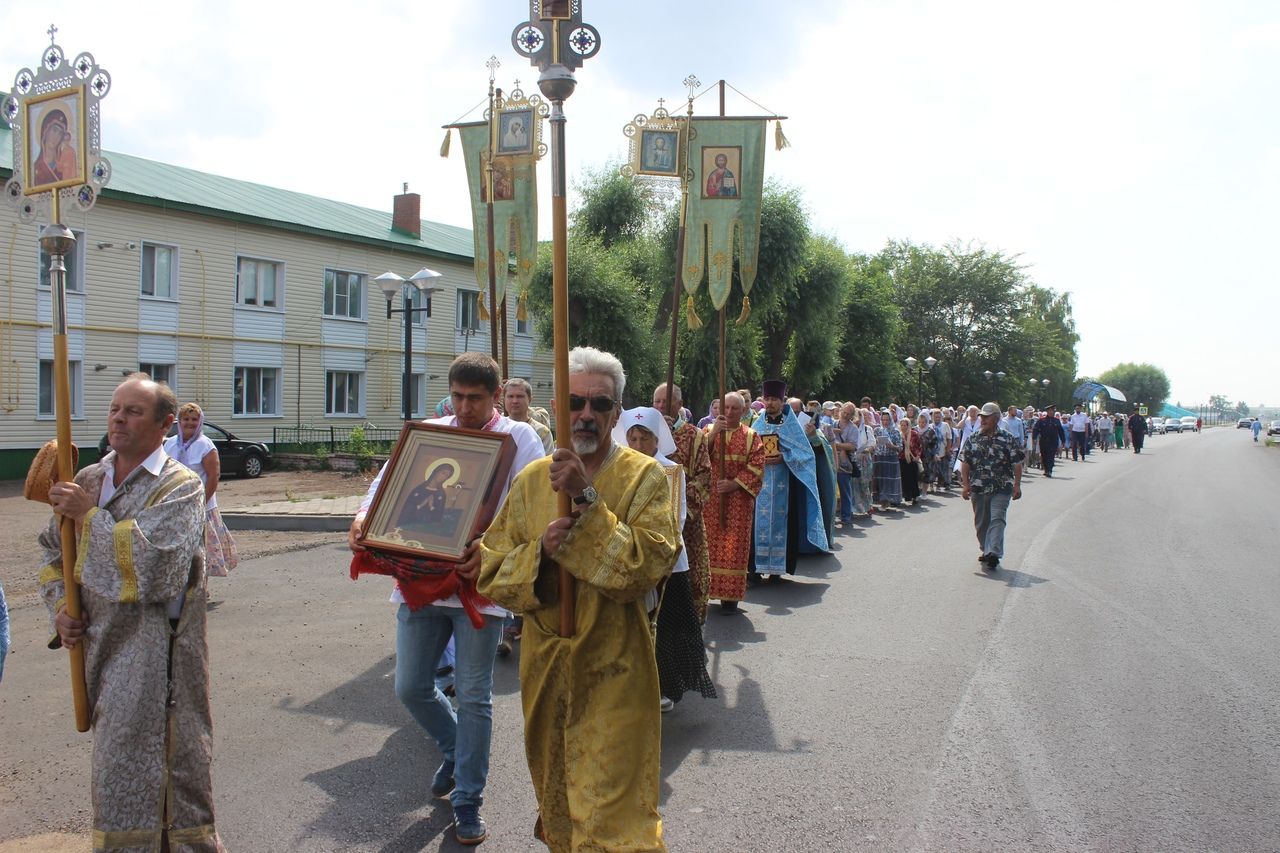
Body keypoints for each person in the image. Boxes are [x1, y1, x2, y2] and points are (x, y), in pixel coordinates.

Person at [477, 346, 678, 852]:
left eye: (600, 405)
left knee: (611, 820)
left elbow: (643, 570)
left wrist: (589, 500)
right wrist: (540, 555)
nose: (586, 415)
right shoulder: (528, 483)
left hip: (613, 667)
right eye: (574, 402)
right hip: (546, 670)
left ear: (616, 410)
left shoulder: (645, 477)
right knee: (560, 801)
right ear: (557, 404)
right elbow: (492, 573)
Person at [348, 352, 544, 846]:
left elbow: (531, 504)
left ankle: (468, 800)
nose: (463, 407)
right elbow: (387, 484)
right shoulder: (433, 433)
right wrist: (363, 517)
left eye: (474, 398)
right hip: (422, 577)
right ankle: (456, 748)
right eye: (457, 396)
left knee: (475, 695)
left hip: (480, 584)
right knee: (410, 686)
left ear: (496, 397)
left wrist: (493, 547)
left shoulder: (520, 438)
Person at [39, 373, 223, 850]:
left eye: (133, 411)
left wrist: (89, 517)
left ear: (164, 425)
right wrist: (62, 607)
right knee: (114, 769)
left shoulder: (181, 487)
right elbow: (52, 556)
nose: (119, 418)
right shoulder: (90, 479)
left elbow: (156, 569)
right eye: (115, 409)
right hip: (101, 649)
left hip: (156, 658)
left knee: (170, 773)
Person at [612, 406, 715, 711]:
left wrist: (658, 550)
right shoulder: (618, 468)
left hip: (666, 559)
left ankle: (662, 685)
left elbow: (677, 515)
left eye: (645, 438)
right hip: (626, 555)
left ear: (657, 440)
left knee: (665, 625)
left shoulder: (672, 471)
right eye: (633, 437)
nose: (639, 444)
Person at [751, 381, 830, 579]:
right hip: (760, 485)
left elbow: (806, 455)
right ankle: (755, 569)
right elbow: (748, 450)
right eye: (767, 399)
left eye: (774, 399)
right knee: (755, 526)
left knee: (783, 524)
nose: (770, 403)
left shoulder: (792, 425)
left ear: (781, 401)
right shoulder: (758, 423)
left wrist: (784, 458)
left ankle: (778, 570)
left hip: (785, 484)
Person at [653, 382, 712, 622]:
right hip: (651, 520)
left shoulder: (693, 435)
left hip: (685, 522)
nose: (659, 406)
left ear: (678, 405)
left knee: (689, 577)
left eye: (664, 402)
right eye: (656, 401)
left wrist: (680, 505)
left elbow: (704, 476)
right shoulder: (644, 434)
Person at [701, 392, 765, 609]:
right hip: (711, 499)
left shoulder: (751, 435)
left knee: (734, 547)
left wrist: (734, 484)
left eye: (734, 409)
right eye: (725, 408)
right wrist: (712, 436)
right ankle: (708, 589)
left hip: (738, 501)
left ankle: (730, 598)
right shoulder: (708, 431)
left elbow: (756, 467)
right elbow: (696, 456)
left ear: (743, 411)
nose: (728, 412)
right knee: (708, 545)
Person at [164, 402, 239, 579]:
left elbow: (214, 476)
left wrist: (202, 502)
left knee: (200, 549)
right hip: (175, 506)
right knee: (178, 549)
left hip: (200, 506)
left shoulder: (205, 445)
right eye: (185, 419)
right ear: (179, 421)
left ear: (200, 422)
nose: (190, 423)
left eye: (194, 419)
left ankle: (200, 586)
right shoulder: (170, 445)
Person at [961, 402, 1025, 570]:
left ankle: (993, 552)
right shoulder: (973, 438)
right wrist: (965, 485)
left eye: (986, 417)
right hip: (978, 488)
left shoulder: (1007, 438)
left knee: (997, 519)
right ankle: (986, 549)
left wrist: (1017, 485)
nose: (982, 419)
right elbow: (965, 463)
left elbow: (1017, 464)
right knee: (981, 522)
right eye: (981, 416)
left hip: (1001, 487)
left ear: (996, 418)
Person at [504, 378, 555, 455]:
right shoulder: (498, 427)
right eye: (510, 396)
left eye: (520, 396)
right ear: (504, 399)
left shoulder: (542, 432)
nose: (515, 401)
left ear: (530, 399)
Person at [33, 107, 78, 186]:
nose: (56, 136)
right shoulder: (35, 169)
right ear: (45, 131)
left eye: (60, 133)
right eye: (54, 130)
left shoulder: (65, 164)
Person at [872, 408, 903, 509]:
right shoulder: (877, 430)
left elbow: (900, 447)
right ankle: (881, 500)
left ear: (891, 420)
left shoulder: (895, 431)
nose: (885, 422)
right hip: (879, 458)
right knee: (879, 480)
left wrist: (892, 446)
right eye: (883, 420)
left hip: (891, 459)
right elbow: (872, 444)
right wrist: (875, 443)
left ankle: (887, 501)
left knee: (889, 481)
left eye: (887, 420)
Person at [1033, 404, 1066, 477]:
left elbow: (1061, 431)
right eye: (1049, 411)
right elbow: (1036, 429)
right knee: (1044, 456)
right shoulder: (1041, 420)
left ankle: (1049, 470)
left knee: (1051, 456)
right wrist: (1034, 438)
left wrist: (1063, 441)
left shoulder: (1057, 421)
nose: (1051, 412)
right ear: (1047, 412)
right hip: (1043, 441)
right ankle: (1046, 469)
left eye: (1052, 411)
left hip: (1053, 442)